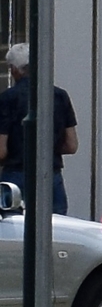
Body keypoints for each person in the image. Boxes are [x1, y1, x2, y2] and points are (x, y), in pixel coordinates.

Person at [0, 42, 78, 216]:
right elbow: (71, 145)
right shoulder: (59, 96)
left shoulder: (7, 99)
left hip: (16, 176)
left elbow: (1, 150)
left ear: (14, 70)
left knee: (12, 235)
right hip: (51, 175)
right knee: (57, 232)